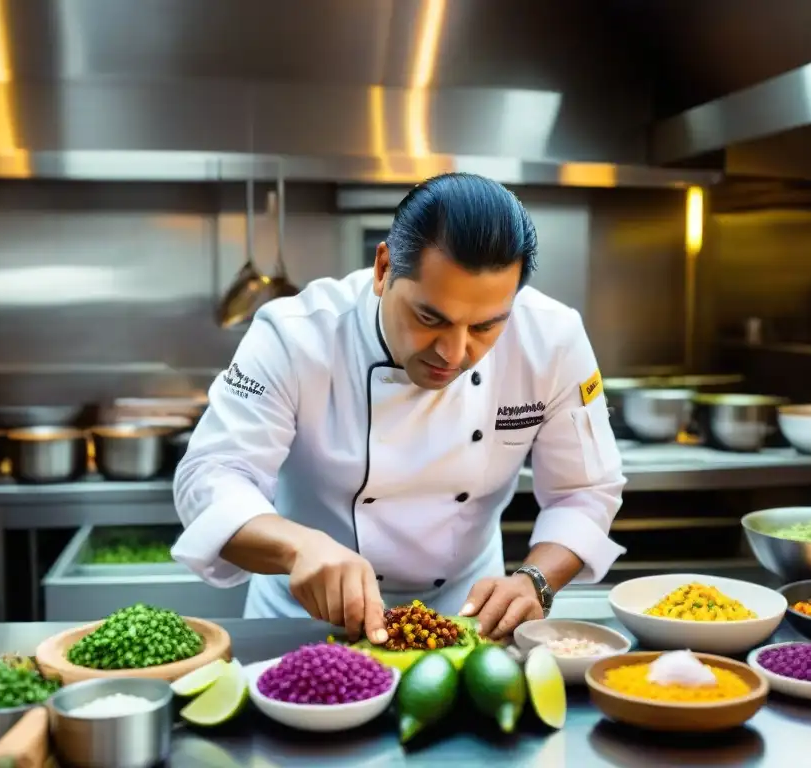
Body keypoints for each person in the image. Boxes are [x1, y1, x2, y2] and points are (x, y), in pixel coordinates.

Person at [172, 172, 626, 645]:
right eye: (430, 318)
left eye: (486, 327)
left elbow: (586, 490)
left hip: (466, 624)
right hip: (304, 624)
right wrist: (298, 547)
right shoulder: (297, 334)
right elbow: (212, 474)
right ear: (384, 268)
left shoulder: (552, 340)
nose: (453, 353)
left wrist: (535, 579)